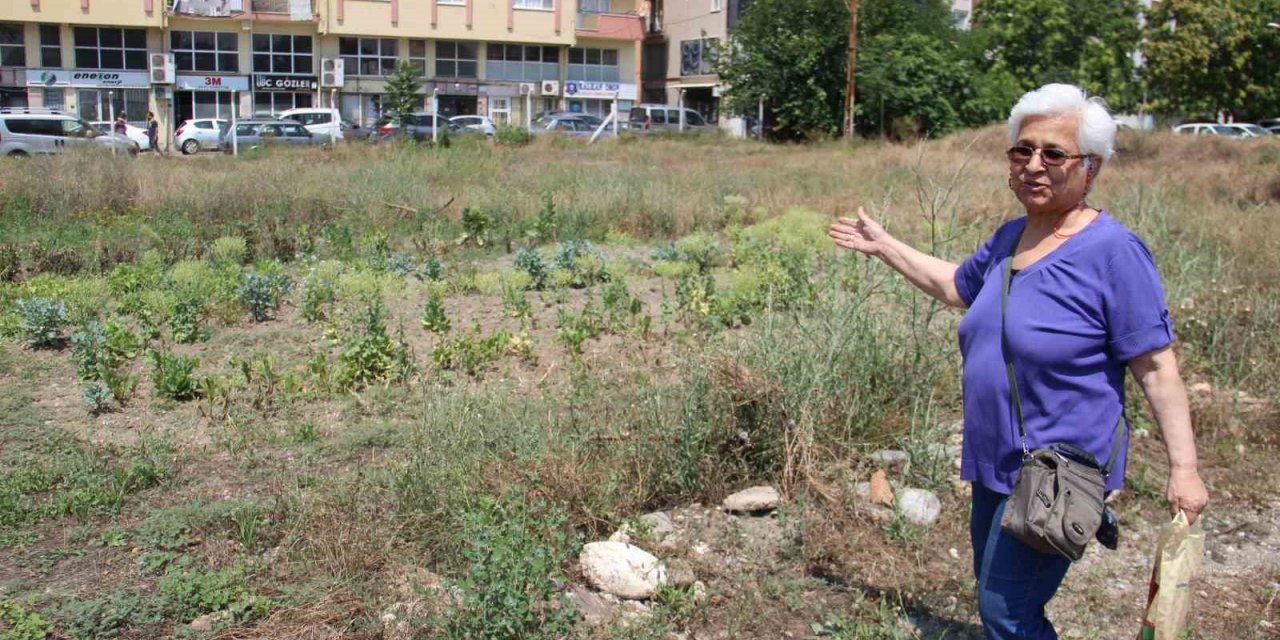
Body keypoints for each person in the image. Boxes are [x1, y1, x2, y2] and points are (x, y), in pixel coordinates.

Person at [827, 83, 1208, 638]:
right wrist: (885, 245)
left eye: (1054, 153)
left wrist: (1185, 470)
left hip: (1058, 470)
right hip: (996, 461)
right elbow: (957, 286)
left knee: (1008, 609)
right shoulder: (1011, 237)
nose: (1034, 165)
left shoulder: (1114, 252)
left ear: (1090, 168)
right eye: (1021, 150)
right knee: (995, 598)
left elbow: (1156, 367)